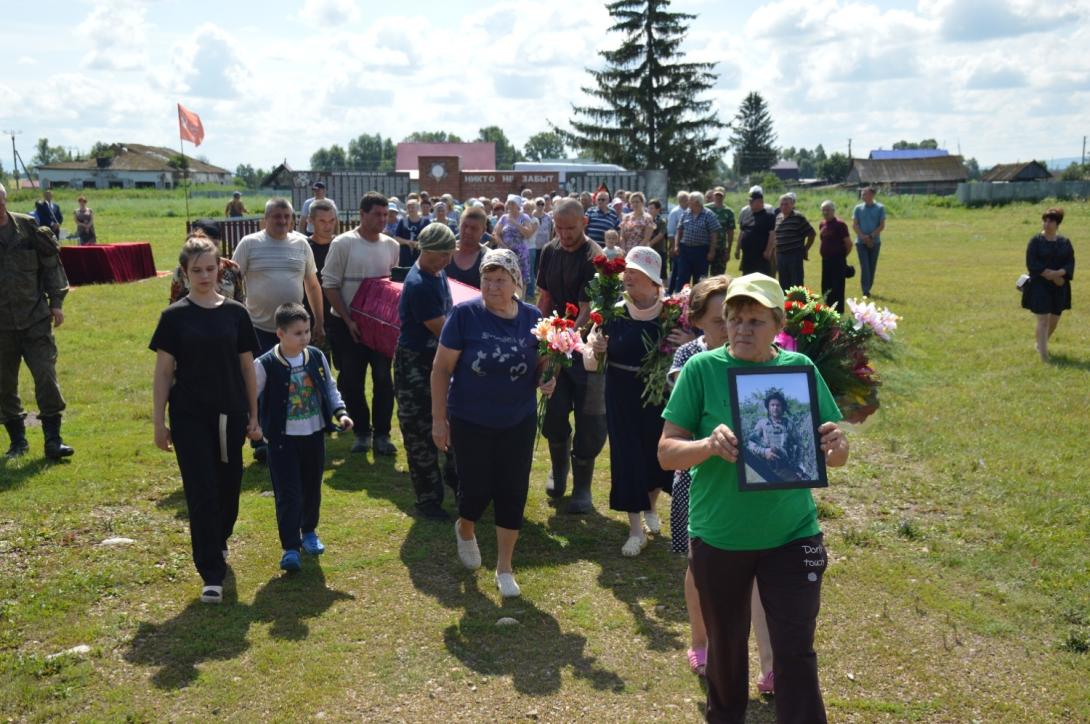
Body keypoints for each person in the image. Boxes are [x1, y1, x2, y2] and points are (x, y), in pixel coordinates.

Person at [659, 273, 850, 724]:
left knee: (795, 650)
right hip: (721, 536)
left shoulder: (798, 369)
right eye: (734, 318)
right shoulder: (702, 370)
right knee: (725, 650)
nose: (742, 328)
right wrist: (707, 446)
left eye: (755, 320)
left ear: (778, 323)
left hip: (792, 533)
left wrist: (838, 448)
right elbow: (667, 452)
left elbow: (832, 453)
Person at [665, 275, 775, 686]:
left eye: (746, 319)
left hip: (757, 485)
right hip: (699, 480)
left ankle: (770, 664)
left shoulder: (765, 359)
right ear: (699, 323)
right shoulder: (692, 360)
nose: (731, 329)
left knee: (761, 574)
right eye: (720, 321)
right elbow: (682, 419)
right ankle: (701, 640)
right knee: (701, 570)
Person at [431, 248, 555, 598]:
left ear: (516, 282)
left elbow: (543, 364)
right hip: (470, 418)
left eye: (501, 280)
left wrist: (549, 379)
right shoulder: (464, 315)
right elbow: (441, 369)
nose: (493, 286)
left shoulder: (533, 317)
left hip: (518, 420)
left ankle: (504, 567)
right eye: (487, 279)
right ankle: (466, 527)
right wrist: (439, 420)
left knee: (512, 491)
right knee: (475, 490)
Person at [151, 233, 263, 604]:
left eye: (210, 268)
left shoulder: (236, 313)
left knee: (228, 489)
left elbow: (249, 368)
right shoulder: (173, 317)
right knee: (200, 492)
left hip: (230, 414)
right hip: (189, 417)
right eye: (196, 269)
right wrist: (158, 422)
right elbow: (163, 373)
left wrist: (254, 416)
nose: (204, 275)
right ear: (184, 273)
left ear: (221, 269)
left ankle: (219, 538)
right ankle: (210, 571)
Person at [585, 247, 680, 556]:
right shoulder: (612, 311)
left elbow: (697, 350)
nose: (628, 278)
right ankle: (635, 529)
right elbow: (589, 358)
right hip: (621, 392)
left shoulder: (672, 315)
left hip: (659, 394)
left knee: (656, 454)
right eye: (628, 273)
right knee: (628, 457)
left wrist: (687, 340)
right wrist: (597, 347)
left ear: (654, 283)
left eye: (636, 275)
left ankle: (651, 504)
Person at [254, 303, 352, 571]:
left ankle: (308, 531)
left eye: (307, 331)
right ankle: (290, 547)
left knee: (311, 489)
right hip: (282, 441)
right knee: (288, 493)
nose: (305, 338)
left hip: (313, 436)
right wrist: (253, 423)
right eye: (297, 333)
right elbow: (248, 396)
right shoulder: (265, 364)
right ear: (280, 334)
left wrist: (340, 413)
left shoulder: (317, 357)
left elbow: (330, 388)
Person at [535, 198, 607, 513]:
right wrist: (538, 334)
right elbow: (545, 295)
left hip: (587, 349)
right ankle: (558, 469)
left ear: (584, 224)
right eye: (558, 228)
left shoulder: (595, 257)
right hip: (554, 343)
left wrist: (565, 342)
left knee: (590, 418)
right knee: (553, 410)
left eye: (570, 228)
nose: (563, 235)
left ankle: (582, 487)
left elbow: (588, 311)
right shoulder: (550, 251)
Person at [322, 192, 400, 456]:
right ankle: (361, 432)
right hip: (346, 326)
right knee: (351, 381)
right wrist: (348, 319)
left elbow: (392, 289)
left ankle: (382, 434)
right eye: (376, 214)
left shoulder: (392, 246)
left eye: (385, 214)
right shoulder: (343, 243)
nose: (382, 219)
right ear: (362, 214)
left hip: (380, 328)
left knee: (382, 379)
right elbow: (330, 284)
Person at [0, 182, 74, 460]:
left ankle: (53, 440)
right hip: (2, 327)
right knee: (4, 384)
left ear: (5, 201)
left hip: (34, 319)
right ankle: (17, 441)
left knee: (46, 376)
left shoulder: (29, 228)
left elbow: (51, 265)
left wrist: (56, 304)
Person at [396, 223, 458, 521]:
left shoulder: (437, 272)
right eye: (441, 256)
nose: (447, 261)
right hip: (416, 365)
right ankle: (428, 500)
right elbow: (444, 330)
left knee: (452, 423)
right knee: (421, 432)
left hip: (438, 361)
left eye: (449, 255)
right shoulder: (420, 284)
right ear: (425, 251)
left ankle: (457, 484)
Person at [232, 199, 324, 354]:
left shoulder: (302, 244)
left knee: (294, 376)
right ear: (265, 219)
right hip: (259, 329)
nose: (283, 221)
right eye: (277, 216)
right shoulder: (249, 243)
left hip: (294, 329)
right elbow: (233, 281)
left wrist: (319, 322)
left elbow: (313, 286)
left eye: (287, 216)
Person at [1022, 207, 1075, 362]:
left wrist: (1060, 275)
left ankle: (1040, 342)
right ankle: (1044, 356)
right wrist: (1051, 276)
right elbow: (1032, 263)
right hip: (1040, 284)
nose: (1046, 223)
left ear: (1057, 223)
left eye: (1050, 221)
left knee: (1054, 320)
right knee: (1043, 320)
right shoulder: (1035, 241)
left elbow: (1070, 263)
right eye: (1044, 220)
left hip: (1060, 285)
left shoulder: (1065, 243)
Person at [169, 219, 245, 304]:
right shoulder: (182, 271)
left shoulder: (232, 268)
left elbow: (240, 300)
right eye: (197, 271)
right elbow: (174, 302)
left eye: (215, 245)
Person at [671, 191, 721, 293]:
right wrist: (676, 245)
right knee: (682, 277)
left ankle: (698, 302)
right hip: (685, 250)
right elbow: (679, 230)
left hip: (701, 251)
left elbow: (714, 234)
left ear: (697, 202)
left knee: (700, 279)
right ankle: (679, 302)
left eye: (690, 200)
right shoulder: (686, 213)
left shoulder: (709, 215)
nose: (687, 202)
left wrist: (712, 251)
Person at [773, 192, 816, 291]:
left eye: (786, 204)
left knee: (796, 285)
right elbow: (776, 238)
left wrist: (806, 249)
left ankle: (797, 306)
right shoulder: (778, 217)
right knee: (783, 285)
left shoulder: (798, 217)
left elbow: (811, 233)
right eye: (782, 204)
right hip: (781, 256)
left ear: (792, 205)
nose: (784, 206)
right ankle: (786, 305)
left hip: (794, 256)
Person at [493, 196, 536, 289]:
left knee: (522, 277)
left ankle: (521, 299)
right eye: (509, 203)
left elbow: (528, 234)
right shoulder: (504, 218)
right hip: (505, 252)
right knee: (505, 275)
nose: (510, 206)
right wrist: (504, 247)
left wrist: (515, 223)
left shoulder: (524, 217)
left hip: (520, 253)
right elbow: (496, 234)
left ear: (518, 206)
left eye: (512, 203)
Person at [818, 200, 852, 313]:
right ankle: (828, 308)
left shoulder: (840, 225)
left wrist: (842, 256)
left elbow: (848, 243)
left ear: (833, 211)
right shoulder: (822, 224)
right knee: (826, 286)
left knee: (837, 287)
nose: (825, 212)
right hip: (825, 261)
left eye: (828, 210)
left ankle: (838, 311)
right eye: (823, 210)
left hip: (837, 260)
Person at [852, 186, 886, 297]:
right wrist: (863, 237)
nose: (862, 195)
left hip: (875, 242)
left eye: (864, 194)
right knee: (865, 267)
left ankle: (868, 287)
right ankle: (865, 290)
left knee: (872, 267)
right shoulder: (858, 208)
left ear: (871, 195)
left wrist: (871, 237)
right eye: (862, 194)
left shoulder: (880, 208)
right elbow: (855, 225)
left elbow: (881, 226)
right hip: (861, 243)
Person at [735, 186, 776, 276]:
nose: (749, 203)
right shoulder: (749, 215)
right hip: (747, 257)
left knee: (762, 280)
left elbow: (772, 235)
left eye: (751, 201)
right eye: (749, 201)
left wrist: (768, 251)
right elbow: (742, 232)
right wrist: (737, 248)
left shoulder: (769, 216)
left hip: (761, 257)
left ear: (759, 202)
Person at [446, 206, 489, 289]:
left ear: (483, 230)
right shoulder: (444, 251)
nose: (468, 231)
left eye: (474, 228)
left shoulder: (488, 258)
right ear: (459, 225)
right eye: (464, 226)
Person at [708, 187, 736, 276]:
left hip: (720, 247)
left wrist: (728, 250)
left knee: (718, 275)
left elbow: (730, 232)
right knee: (702, 273)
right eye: (716, 195)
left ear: (724, 196)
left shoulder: (729, 212)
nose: (718, 197)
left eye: (720, 195)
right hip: (705, 245)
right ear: (713, 195)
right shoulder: (706, 209)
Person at [394, 199, 429, 268]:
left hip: (421, 255)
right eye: (408, 207)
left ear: (418, 208)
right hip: (405, 256)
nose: (410, 209)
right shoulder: (402, 221)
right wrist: (408, 242)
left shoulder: (425, 222)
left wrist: (418, 244)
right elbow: (396, 238)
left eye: (412, 207)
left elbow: (429, 238)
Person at [648, 198, 669, 282]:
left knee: (662, 272)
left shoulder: (661, 221)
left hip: (659, 250)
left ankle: (665, 290)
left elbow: (661, 234)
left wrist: (650, 243)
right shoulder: (646, 220)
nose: (649, 210)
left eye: (652, 208)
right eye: (648, 208)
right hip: (649, 250)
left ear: (658, 209)